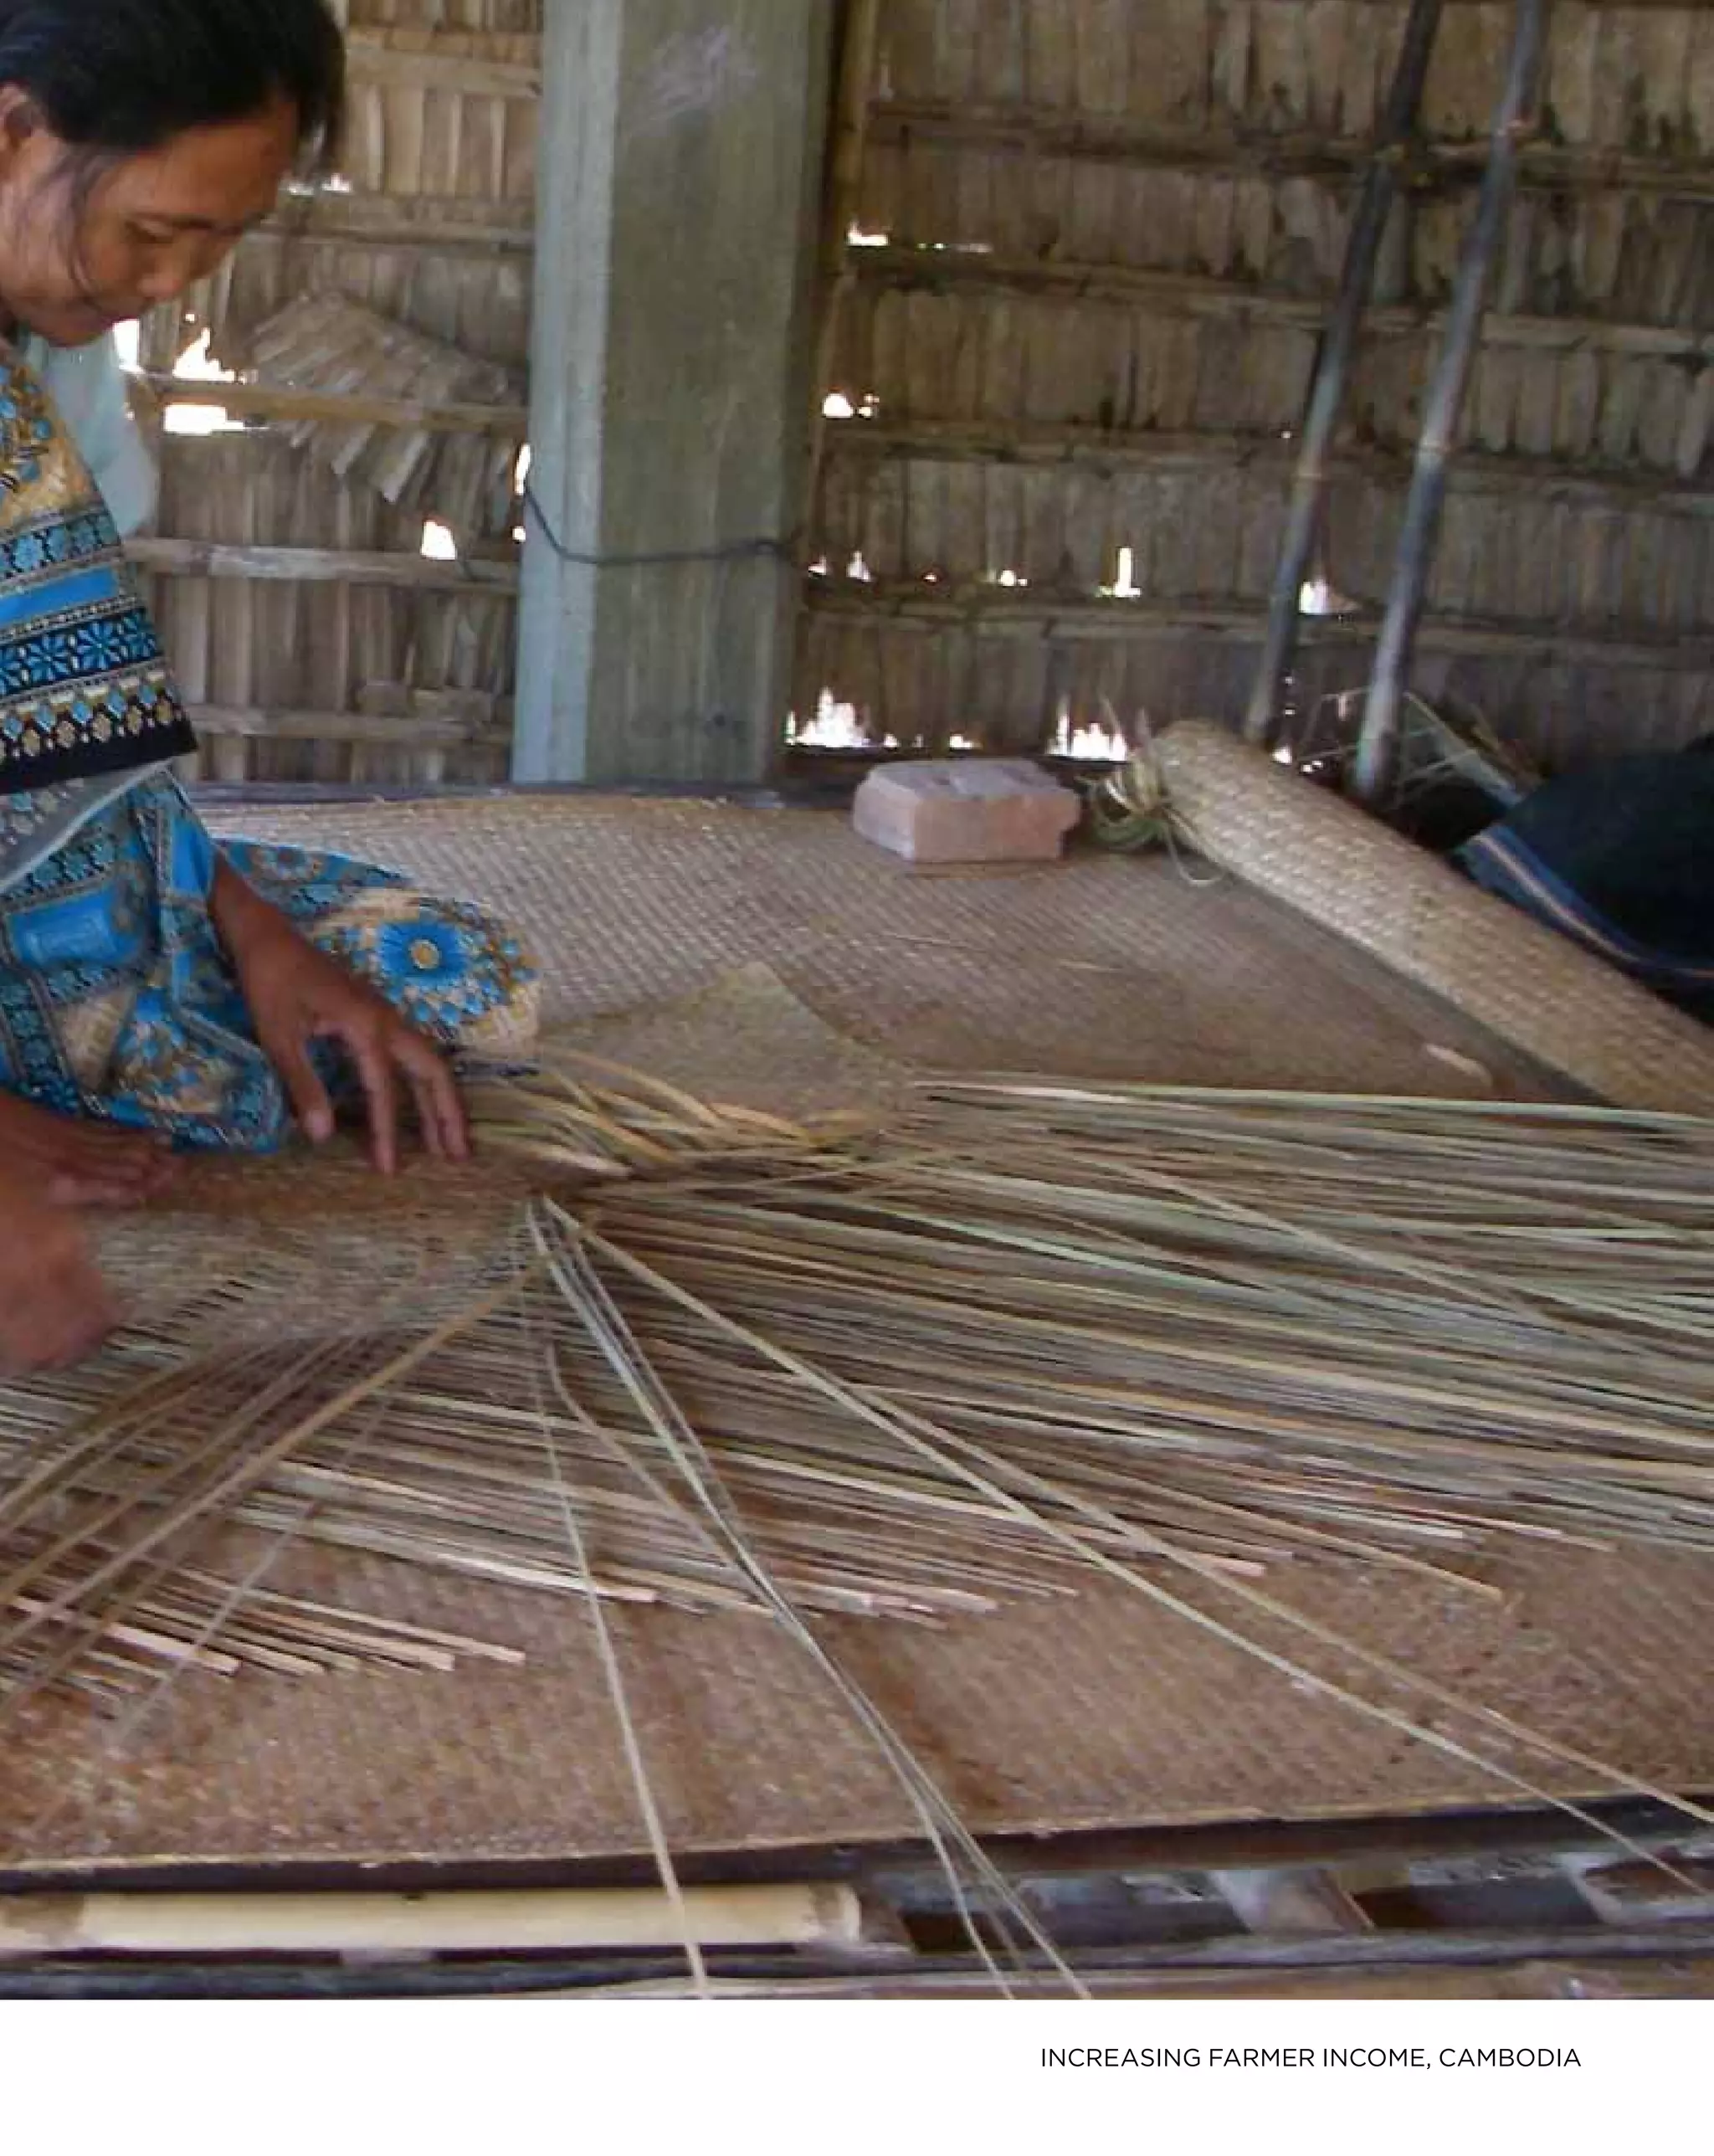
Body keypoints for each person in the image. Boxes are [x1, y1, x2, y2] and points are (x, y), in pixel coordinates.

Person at [0, 0, 536, 1373]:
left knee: (436, 977)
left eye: (219, 244)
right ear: (11, 134)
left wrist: (246, 928)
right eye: (156, 232)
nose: (174, 283)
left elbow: (79, 757)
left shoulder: (45, 359)